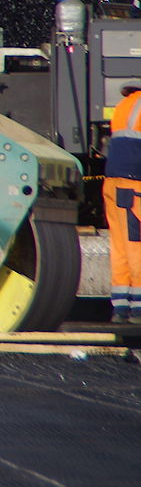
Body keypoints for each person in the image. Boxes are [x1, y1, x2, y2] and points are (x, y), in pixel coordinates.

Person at [105, 84, 141, 323]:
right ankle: (139, 309)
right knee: (136, 244)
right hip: (134, 185)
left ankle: (120, 306)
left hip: (113, 183)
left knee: (119, 244)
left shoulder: (123, 105)